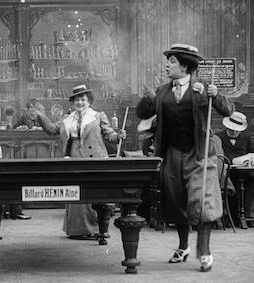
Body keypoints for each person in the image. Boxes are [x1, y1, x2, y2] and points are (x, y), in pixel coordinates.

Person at [136, 44, 234, 272]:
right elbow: (143, 115)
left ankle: (204, 250)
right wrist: (146, 99)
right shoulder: (162, 91)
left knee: (202, 204)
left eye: (171, 61)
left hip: (199, 154)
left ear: (184, 65)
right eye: (167, 61)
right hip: (172, 154)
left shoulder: (204, 89)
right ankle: (183, 247)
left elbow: (229, 110)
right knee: (176, 202)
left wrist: (216, 95)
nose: (167, 65)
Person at [35, 84, 126, 245]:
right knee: (75, 193)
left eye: (83, 99)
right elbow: (50, 129)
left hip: (95, 158)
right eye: (77, 99)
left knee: (94, 195)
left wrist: (118, 136)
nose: (80, 102)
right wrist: (41, 116)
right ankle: (77, 230)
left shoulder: (97, 116)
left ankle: (97, 230)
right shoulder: (67, 119)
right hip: (74, 157)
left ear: (89, 101)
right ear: (73, 102)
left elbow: (108, 134)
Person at [216, 111, 254, 226]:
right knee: (228, 184)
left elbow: (251, 152)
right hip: (226, 172)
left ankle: (247, 215)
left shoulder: (246, 138)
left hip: (243, 171)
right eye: (231, 129)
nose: (234, 132)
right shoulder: (219, 137)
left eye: (236, 130)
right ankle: (229, 217)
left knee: (252, 182)